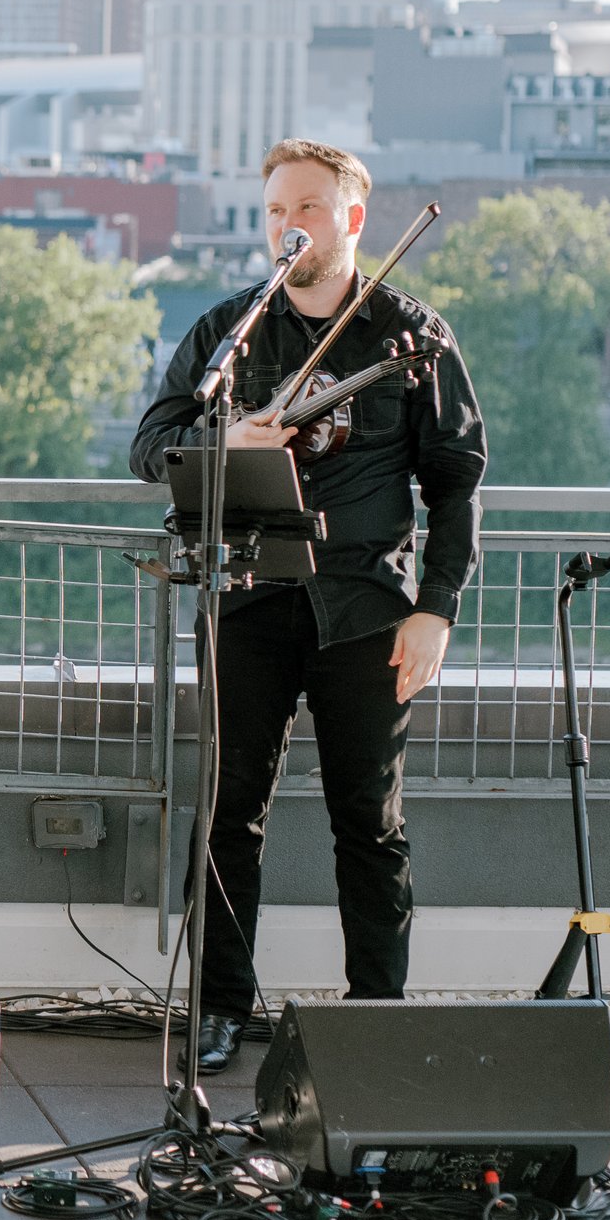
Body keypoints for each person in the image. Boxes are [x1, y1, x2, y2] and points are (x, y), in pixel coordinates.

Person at [131, 138, 485, 1074]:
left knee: (368, 823)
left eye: (310, 208)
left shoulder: (409, 333)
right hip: (246, 598)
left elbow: (456, 482)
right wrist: (225, 433)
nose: (289, 226)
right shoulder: (229, 332)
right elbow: (150, 442)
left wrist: (436, 607)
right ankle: (218, 1009)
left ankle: (377, 1014)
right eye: (277, 209)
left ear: (353, 219)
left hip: (367, 608)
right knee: (227, 812)